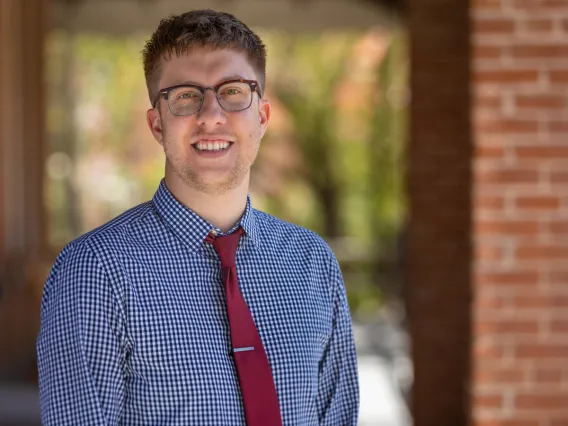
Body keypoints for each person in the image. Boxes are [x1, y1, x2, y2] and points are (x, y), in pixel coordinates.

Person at [37, 9, 359, 425]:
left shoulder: (313, 263)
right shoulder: (93, 272)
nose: (211, 115)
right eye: (186, 96)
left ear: (261, 117)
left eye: (233, 91)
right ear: (157, 124)